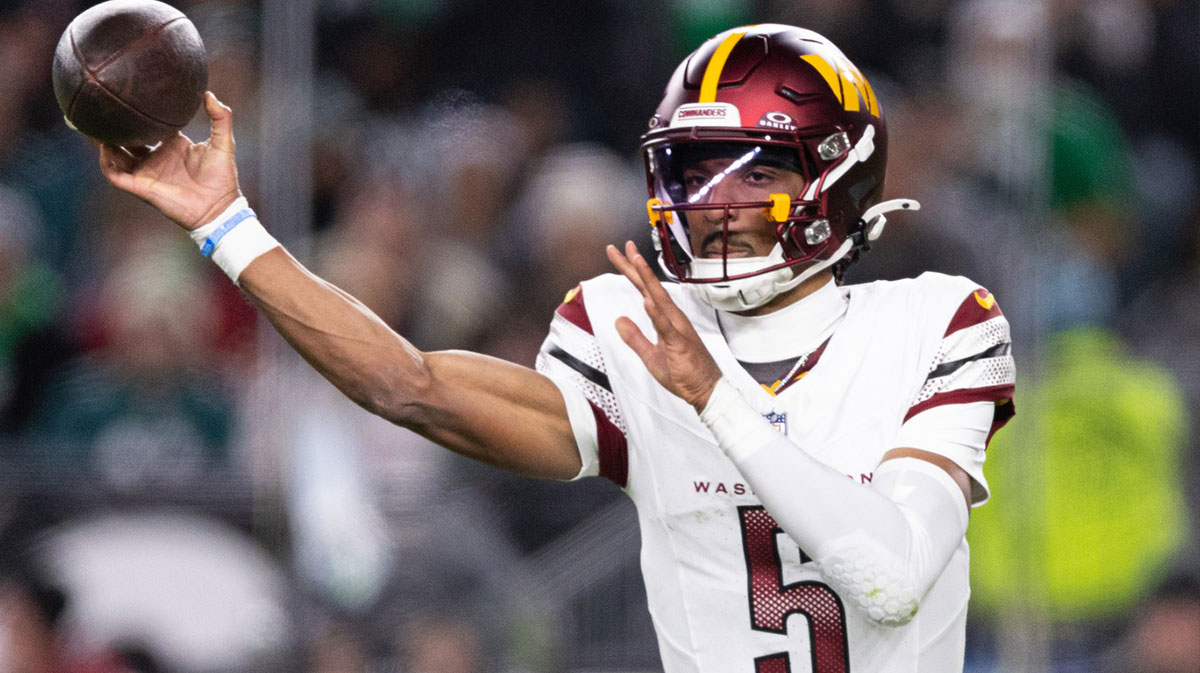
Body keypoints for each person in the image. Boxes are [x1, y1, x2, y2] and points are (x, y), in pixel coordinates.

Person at [92, 24, 1015, 673]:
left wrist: (715, 397)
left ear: (837, 178)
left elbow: (889, 577)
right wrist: (227, 224)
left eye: (756, 170)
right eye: (694, 172)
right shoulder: (628, 324)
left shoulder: (937, 321)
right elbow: (409, 385)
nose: (714, 203)